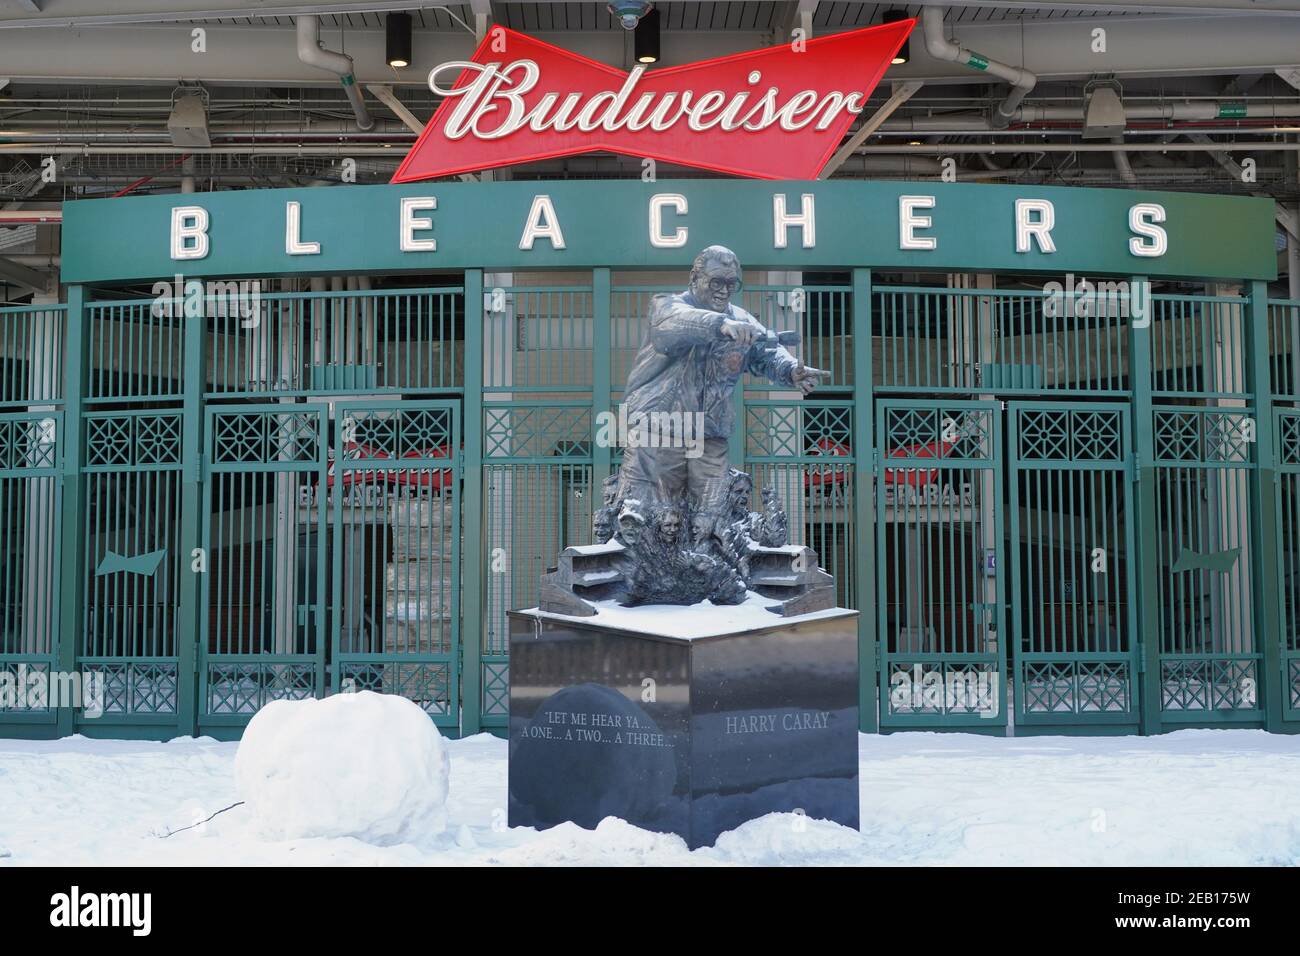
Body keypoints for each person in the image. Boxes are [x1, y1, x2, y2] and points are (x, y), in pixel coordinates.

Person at [615, 244, 827, 507]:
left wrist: (790, 369)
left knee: (713, 515)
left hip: (710, 434)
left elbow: (767, 352)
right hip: (658, 428)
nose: (724, 290)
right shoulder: (667, 305)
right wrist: (720, 325)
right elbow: (673, 326)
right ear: (694, 278)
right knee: (648, 513)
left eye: (731, 283)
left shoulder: (740, 318)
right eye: (716, 281)